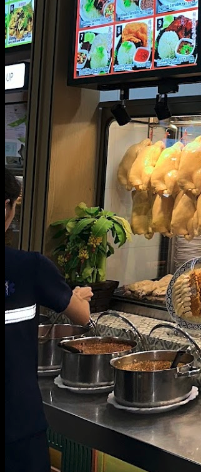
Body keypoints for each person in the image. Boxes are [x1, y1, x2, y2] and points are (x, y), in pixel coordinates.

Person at [5, 168, 93, 472]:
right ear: (8, 207)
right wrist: (78, 296)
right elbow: (82, 316)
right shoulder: (30, 267)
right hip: (16, 423)